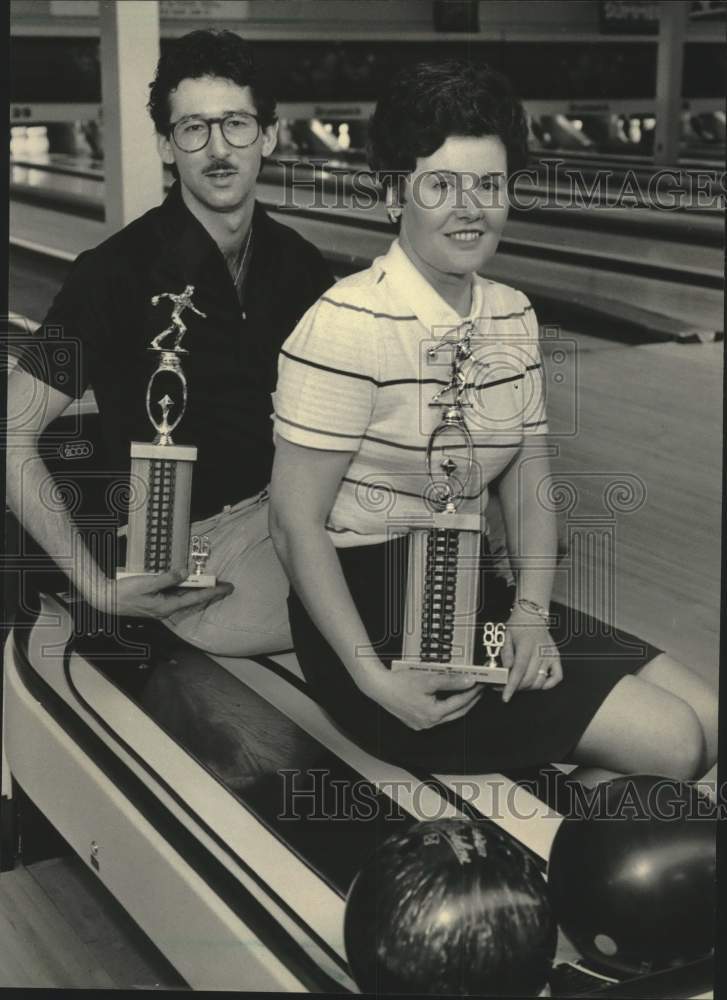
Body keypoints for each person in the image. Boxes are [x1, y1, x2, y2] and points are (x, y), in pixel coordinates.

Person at [269, 60, 718, 785]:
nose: (469, 207)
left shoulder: (510, 313)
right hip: (372, 622)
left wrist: (531, 616)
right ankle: (539, 857)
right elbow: (293, 526)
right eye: (440, 185)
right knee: (670, 743)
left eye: (489, 184)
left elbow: (530, 485)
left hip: (476, 594)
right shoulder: (344, 325)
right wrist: (374, 680)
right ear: (393, 195)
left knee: (707, 716)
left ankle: (547, 840)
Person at [8, 30, 334, 655]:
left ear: (267, 134)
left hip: (297, 517)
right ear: (166, 143)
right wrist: (96, 586)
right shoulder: (113, 274)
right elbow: (11, 431)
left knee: (432, 564)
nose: (217, 148)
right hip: (199, 552)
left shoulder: (300, 265)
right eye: (193, 128)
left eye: (236, 123)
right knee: (371, 605)